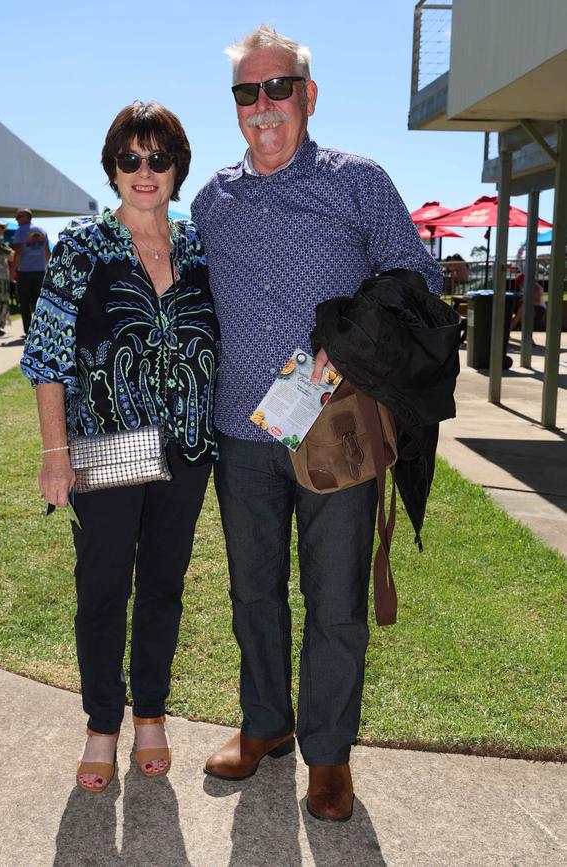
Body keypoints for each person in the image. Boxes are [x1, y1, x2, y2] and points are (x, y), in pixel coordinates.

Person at [191, 24, 442, 823]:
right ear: (236, 105)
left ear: (307, 96)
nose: (262, 107)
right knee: (251, 592)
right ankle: (266, 725)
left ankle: (329, 756)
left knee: (336, 597)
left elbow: (419, 273)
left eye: (276, 89)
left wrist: (353, 340)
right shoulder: (211, 199)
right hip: (242, 430)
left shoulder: (357, 181)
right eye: (246, 93)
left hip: (338, 426)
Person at [21, 101, 219, 794]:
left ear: (176, 168)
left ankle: (152, 714)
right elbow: (46, 355)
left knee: (163, 587)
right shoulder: (81, 247)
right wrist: (54, 451)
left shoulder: (200, 245)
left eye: (158, 158)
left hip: (188, 451)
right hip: (103, 451)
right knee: (102, 589)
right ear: (112, 166)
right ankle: (102, 723)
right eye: (131, 158)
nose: (145, 171)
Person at [12, 207, 50, 336]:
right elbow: (47, 252)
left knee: (25, 303)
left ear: (27, 217)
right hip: (40, 271)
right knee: (40, 303)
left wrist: (13, 270)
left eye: (19, 217)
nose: (17, 219)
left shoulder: (20, 231)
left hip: (25, 271)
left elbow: (18, 252)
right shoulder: (42, 230)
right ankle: (41, 329)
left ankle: (28, 330)